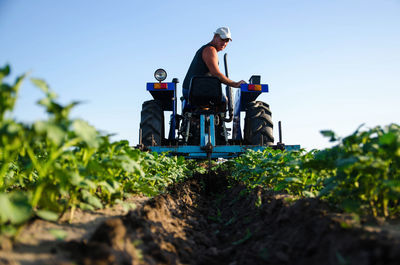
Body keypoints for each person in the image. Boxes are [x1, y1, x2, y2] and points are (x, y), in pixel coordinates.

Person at [182, 27, 246, 100]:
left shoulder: (206, 49)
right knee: (224, 100)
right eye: (222, 39)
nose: (224, 43)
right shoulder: (210, 50)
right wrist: (235, 84)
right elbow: (216, 74)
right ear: (215, 36)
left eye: (227, 41)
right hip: (195, 90)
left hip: (191, 89)